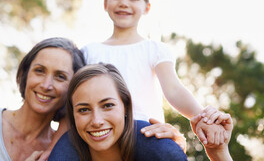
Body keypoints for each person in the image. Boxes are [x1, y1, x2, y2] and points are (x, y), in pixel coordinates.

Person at [81, 0, 230, 146]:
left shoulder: (154, 49)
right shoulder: (88, 51)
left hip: (145, 131)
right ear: (105, 3)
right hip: (100, 131)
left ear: (147, 7)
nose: (123, 3)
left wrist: (202, 118)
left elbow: (174, 90)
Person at [50, 63, 188, 161]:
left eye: (107, 105)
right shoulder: (61, 153)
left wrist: (174, 151)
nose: (97, 121)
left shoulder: (159, 151)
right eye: (84, 110)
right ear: (73, 115)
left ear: (125, 107)